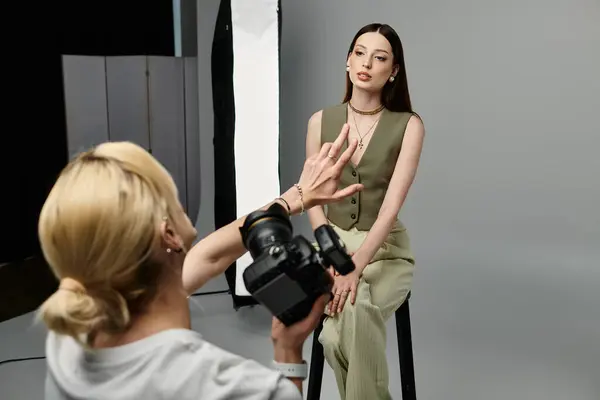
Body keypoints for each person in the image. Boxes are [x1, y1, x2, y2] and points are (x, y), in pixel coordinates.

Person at [37, 125, 363, 400]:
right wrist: (288, 352)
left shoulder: (68, 338)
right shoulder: (224, 386)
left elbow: (209, 257)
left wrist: (292, 199)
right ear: (168, 234)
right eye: (168, 192)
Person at [304, 23, 425, 400]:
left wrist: (357, 265)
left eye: (380, 57)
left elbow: (391, 206)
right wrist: (333, 258)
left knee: (348, 316)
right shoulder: (319, 121)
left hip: (384, 250)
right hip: (332, 247)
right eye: (359, 52)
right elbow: (313, 201)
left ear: (394, 71)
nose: (367, 63)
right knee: (349, 317)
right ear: (347, 61)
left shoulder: (409, 125)